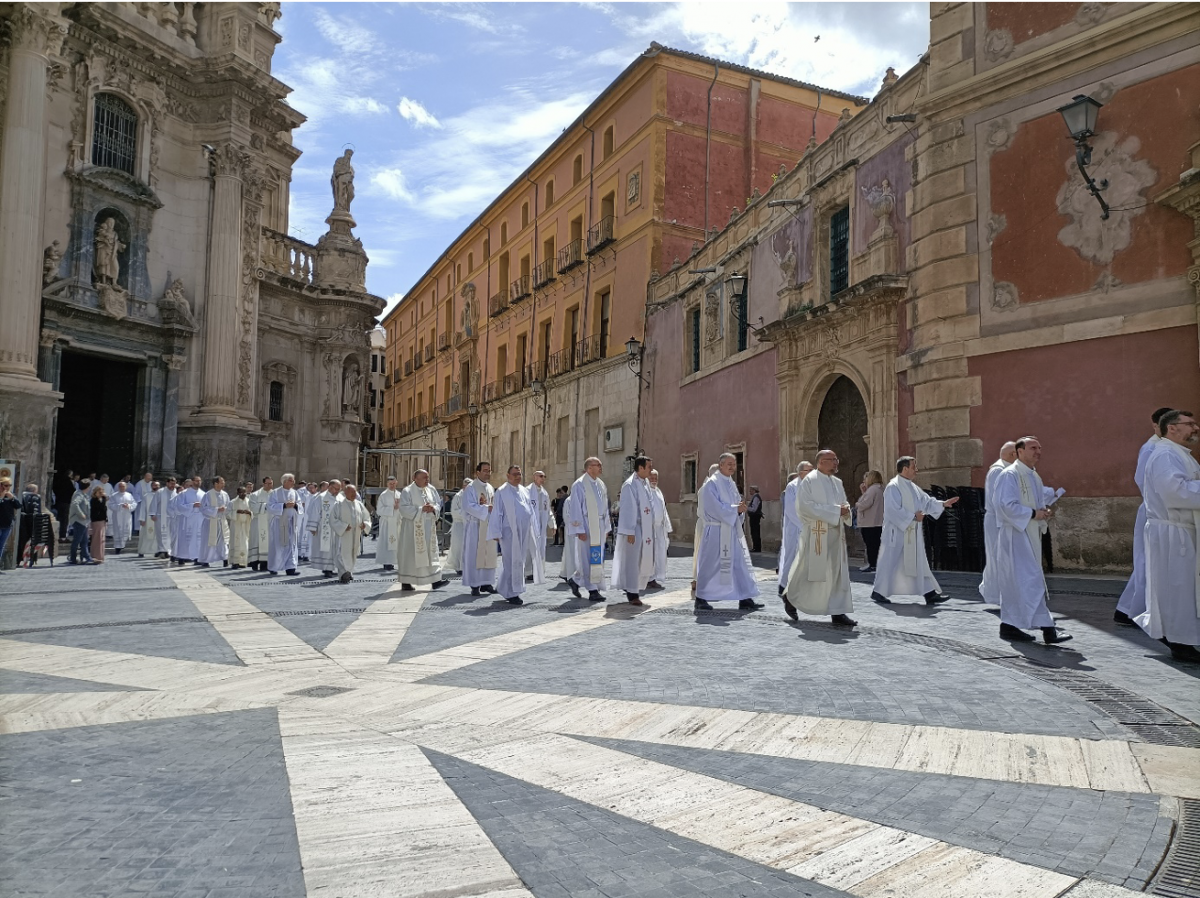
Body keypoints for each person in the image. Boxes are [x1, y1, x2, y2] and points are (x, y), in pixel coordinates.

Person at [992, 436, 1071, 644]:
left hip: (1028, 533)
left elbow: (1035, 503)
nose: (1038, 451)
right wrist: (1032, 514)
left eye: (1040, 447)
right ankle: (1048, 630)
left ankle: (1008, 626)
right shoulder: (1009, 475)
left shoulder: (1033, 475)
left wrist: (1042, 511)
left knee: (1020, 582)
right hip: (1015, 536)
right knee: (1030, 581)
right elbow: (1005, 505)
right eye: (1033, 448)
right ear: (1019, 452)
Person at [1136, 410, 1200, 662]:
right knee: (1177, 588)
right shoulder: (1164, 455)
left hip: (1180, 531)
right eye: (1190, 424)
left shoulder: (1177, 454)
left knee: (1181, 588)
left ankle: (1181, 637)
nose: (1195, 428)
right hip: (1172, 532)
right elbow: (1175, 492)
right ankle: (1179, 641)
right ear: (1172, 428)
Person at [870, 458, 960, 605]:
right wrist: (912, 516)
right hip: (896, 533)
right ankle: (878, 591)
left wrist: (942, 504)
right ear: (905, 469)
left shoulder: (912, 487)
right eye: (914, 467)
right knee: (889, 562)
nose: (916, 469)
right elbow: (893, 510)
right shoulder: (893, 487)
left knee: (919, 561)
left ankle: (929, 593)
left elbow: (926, 501)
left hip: (911, 533)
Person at [1115, 408, 1174, 626]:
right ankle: (1132, 610)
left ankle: (1129, 608)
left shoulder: (1167, 448)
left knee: (1149, 562)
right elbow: (1143, 480)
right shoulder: (1152, 448)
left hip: (1162, 511)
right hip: (1154, 509)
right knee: (1145, 562)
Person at [784, 450, 857, 627]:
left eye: (836, 459)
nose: (836, 463)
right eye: (832, 460)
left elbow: (842, 503)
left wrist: (846, 510)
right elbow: (804, 507)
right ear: (821, 462)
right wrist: (835, 511)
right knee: (810, 572)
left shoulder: (837, 482)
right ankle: (790, 597)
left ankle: (838, 612)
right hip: (817, 535)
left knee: (837, 574)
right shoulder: (809, 481)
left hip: (835, 536)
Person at [694, 453, 762, 611]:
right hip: (716, 531)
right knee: (710, 564)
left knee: (739, 563)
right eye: (729, 464)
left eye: (734, 464)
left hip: (730, 530)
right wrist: (734, 509)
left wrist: (740, 510)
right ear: (721, 465)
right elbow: (713, 507)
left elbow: (736, 503)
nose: (732, 467)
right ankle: (701, 597)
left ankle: (745, 597)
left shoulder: (730, 484)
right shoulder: (711, 484)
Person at [612, 456, 658, 605]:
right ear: (640, 468)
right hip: (634, 528)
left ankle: (636, 586)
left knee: (641, 559)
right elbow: (628, 509)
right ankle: (632, 593)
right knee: (632, 561)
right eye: (649, 467)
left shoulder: (644, 483)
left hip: (644, 527)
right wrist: (630, 531)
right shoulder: (629, 485)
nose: (651, 470)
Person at [489, 465, 537, 604]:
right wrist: (496, 531)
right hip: (508, 532)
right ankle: (511, 593)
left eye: (519, 474)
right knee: (511, 561)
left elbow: (529, 509)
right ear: (508, 475)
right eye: (515, 474)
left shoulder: (524, 490)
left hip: (523, 531)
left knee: (518, 560)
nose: (518, 476)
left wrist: (534, 526)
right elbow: (497, 512)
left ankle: (503, 587)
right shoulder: (502, 491)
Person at [566, 457, 611, 601]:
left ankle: (576, 580)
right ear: (589, 467)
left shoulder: (601, 484)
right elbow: (575, 508)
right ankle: (592, 590)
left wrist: (607, 526)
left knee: (596, 557)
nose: (600, 467)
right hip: (587, 524)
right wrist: (579, 529)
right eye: (598, 465)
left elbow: (604, 507)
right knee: (587, 558)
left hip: (599, 525)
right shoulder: (579, 485)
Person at [979, 441, 1018, 603]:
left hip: (1001, 519)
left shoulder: (1004, 470)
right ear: (1012, 455)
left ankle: (996, 593)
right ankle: (994, 593)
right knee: (997, 557)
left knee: (1001, 557)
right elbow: (1001, 500)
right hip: (997, 519)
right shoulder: (999, 471)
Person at [396, 470, 448, 590]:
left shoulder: (431, 489)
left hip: (428, 527)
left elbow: (438, 504)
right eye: (424, 477)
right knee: (410, 555)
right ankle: (406, 581)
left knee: (431, 554)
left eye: (428, 477)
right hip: (412, 528)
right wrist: (421, 509)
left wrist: (433, 508)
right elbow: (403, 509)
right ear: (415, 478)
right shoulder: (407, 491)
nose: (427, 480)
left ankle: (435, 580)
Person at [461, 463, 498, 596]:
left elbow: (493, 504)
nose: (488, 473)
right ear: (477, 472)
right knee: (475, 555)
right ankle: (475, 584)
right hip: (475, 526)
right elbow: (467, 506)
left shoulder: (490, 487)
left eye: (489, 470)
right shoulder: (471, 488)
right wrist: (485, 509)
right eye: (485, 470)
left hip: (488, 526)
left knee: (489, 554)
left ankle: (486, 583)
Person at [778, 462, 813, 595]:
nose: (811, 472)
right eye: (808, 470)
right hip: (795, 529)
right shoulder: (792, 487)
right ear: (800, 473)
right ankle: (784, 585)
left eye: (812, 470)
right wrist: (804, 525)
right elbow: (791, 509)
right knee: (792, 557)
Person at [332, 483, 371, 583]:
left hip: (355, 533)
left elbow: (366, 517)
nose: (354, 494)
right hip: (344, 534)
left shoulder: (359, 504)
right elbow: (332, 519)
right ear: (345, 493)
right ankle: (343, 573)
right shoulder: (339, 505)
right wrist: (343, 526)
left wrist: (365, 525)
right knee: (342, 554)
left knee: (352, 553)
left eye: (355, 492)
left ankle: (349, 572)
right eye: (352, 492)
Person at [267, 473, 304, 576]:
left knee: (291, 545)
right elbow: (270, 506)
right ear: (285, 481)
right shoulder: (275, 492)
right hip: (279, 523)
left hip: (292, 522)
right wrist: (284, 505)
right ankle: (274, 567)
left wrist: (295, 505)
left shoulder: (295, 493)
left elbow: (300, 505)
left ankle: (290, 567)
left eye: (293, 480)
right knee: (278, 545)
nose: (293, 482)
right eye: (291, 480)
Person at [691, 463, 721, 591]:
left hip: (708, 525)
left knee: (704, 553)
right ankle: (702, 581)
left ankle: (700, 580)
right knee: (704, 554)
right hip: (708, 525)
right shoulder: (708, 489)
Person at [307, 480, 343, 577]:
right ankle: (327, 569)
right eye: (336, 489)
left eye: (339, 489)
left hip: (337, 528)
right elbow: (314, 512)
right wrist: (313, 527)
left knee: (336, 549)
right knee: (326, 550)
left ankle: (332, 567)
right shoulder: (321, 498)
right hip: (324, 528)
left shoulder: (340, 497)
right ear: (330, 487)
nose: (337, 491)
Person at [526, 470, 554, 584]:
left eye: (544, 476)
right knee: (529, 549)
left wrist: (552, 524)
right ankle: (528, 572)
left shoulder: (545, 493)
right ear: (534, 477)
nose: (543, 478)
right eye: (540, 476)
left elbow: (548, 511)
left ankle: (539, 570)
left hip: (541, 527)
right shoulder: (527, 491)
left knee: (541, 548)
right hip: (530, 525)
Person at [855, 470, 885, 572]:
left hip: (869, 523)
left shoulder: (873, 489)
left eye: (865, 478)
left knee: (871, 545)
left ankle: (873, 565)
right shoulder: (879, 489)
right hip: (877, 522)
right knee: (875, 544)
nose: (864, 481)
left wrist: (857, 504)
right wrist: (864, 492)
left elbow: (865, 504)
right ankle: (875, 564)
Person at [647, 469, 672, 589]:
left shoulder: (658, 492)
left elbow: (663, 509)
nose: (654, 480)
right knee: (649, 554)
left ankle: (655, 577)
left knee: (659, 554)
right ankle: (648, 578)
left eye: (656, 478)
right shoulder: (645, 491)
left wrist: (667, 526)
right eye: (651, 477)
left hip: (659, 529)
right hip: (649, 529)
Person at [171, 477, 204, 565]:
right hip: (187, 519)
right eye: (196, 481)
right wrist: (193, 505)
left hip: (199, 519)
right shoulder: (184, 493)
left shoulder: (203, 494)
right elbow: (179, 506)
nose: (198, 482)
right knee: (185, 539)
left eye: (199, 481)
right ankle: (182, 557)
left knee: (198, 539)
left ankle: (197, 558)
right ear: (192, 482)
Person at [198, 476, 230, 568]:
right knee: (209, 541)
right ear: (216, 483)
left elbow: (228, 506)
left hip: (221, 521)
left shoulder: (225, 494)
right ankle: (206, 560)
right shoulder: (208, 494)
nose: (223, 484)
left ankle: (225, 558)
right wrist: (216, 510)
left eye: (223, 482)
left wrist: (226, 510)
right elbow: (203, 508)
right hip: (210, 522)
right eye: (221, 482)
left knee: (223, 541)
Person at [375, 476, 403, 571]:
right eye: (390, 484)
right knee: (386, 542)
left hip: (397, 522)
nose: (392, 485)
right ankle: (386, 562)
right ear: (387, 484)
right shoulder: (383, 495)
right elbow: (379, 510)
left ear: (396, 483)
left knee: (396, 543)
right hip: (387, 523)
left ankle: (393, 561)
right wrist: (392, 508)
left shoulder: (399, 494)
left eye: (394, 483)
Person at [247, 476, 274, 571]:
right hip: (258, 521)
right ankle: (254, 563)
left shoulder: (275, 494)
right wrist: (267, 506)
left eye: (271, 483)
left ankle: (265, 564)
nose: (270, 485)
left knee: (268, 543)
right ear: (263, 484)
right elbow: (252, 507)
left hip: (270, 522)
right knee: (256, 542)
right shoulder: (255, 495)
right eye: (268, 483)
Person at [446, 478, 472, 573]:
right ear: (463, 486)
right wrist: (466, 514)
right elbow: (454, 511)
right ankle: (459, 567)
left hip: (470, 525)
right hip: (459, 525)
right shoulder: (458, 496)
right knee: (459, 546)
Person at [107, 481, 137, 554]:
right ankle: (117, 547)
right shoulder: (114, 495)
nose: (122, 488)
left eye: (123, 486)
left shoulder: (129, 495)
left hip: (126, 516)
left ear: (126, 487)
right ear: (118, 487)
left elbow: (134, 504)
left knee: (125, 530)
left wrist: (129, 506)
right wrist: (119, 506)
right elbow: (110, 505)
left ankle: (123, 545)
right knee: (117, 531)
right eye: (120, 486)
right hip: (117, 516)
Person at [67, 480, 92, 564]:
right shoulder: (78, 494)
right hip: (78, 521)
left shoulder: (84, 495)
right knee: (77, 540)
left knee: (84, 540)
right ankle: (73, 557)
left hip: (84, 522)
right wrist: (81, 514)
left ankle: (86, 556)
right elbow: (75, 504)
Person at [17, 483, 42, 564]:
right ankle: (32, 557)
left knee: (21, 540)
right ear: (34, 491)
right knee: (33, 538)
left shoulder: (20, 496)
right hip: (32, 523)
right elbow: (36, 512)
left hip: (22, 522)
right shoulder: (35, 497)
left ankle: (19, 557)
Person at [151, 476, 176, 559]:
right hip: (161, 516)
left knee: (170, 534)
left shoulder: (176, 492)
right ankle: (162, 550)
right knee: (161, 533)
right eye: (171, 483)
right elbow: (154, 503)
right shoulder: (160, 492)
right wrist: (152, 514)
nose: (173, 485)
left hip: (172, 517)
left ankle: (168, 550)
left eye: (174, 483)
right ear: (167, 483)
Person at [0, 480, 22, 569]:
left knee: (1, 545)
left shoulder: (10, 495)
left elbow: (18, 506)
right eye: (5, 485)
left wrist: (12, 498)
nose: (7, 487)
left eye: (9, 485)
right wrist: (1, 498)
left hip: (7, 524)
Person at [229, 486, 252, 568]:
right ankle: (235, 562)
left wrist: (249, 513)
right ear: (238, 493)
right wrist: (236, 512)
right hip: (236, 525)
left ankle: (243, 562)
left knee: (245, 543)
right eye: (241, 492)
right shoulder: (232, 502)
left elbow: (253, 513)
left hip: (246, 525)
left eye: (245, 492)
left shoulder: (249, 502)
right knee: (236, 542)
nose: (243, 494)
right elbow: (227, 513)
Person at [135, 481, 160, 557]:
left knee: (157, 536)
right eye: (154, 485)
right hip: (147, 518)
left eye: (157, 485)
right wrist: (142, 519)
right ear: (151, 486)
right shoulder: (146, 496)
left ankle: (157, 551)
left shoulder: (161, 495)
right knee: (146, 535)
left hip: (158, 519)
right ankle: (142, 550)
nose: (155, 486)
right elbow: (143, 508)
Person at [89, 486, 109, 563]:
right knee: (97, 539)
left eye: (102, 492)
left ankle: (100, 556)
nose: (101, 493)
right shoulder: (94, 500)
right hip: (96, 520)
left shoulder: (102, 499)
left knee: (101, 539)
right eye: (99, 492)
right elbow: (99, 507)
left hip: (102, 520)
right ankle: (96, 556)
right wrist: (103, 499)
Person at [746, 485, 764, 552]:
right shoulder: (755, 497)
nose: (749, 491)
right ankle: (756, 547)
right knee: (754, 532)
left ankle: (756, 547)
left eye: (750, 490)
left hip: (755, 517)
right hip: (755, 517)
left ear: (754, 490)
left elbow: (754, 509)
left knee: (755, 532)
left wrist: (746, 508)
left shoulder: (756, 497)